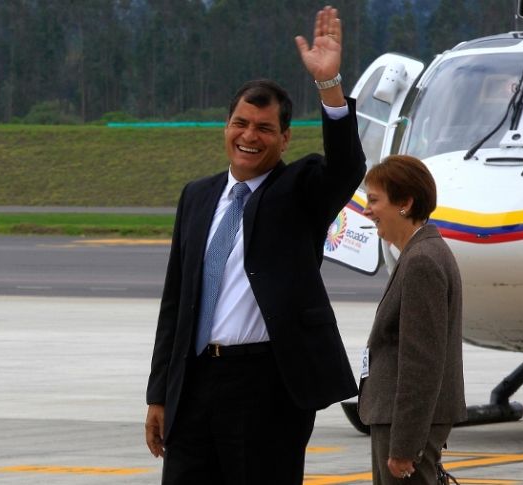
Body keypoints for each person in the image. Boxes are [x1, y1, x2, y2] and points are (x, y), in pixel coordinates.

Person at [144, 5, 365, 484]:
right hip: (195, 381)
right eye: (240, 123)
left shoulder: (299, 191)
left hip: (266, 387)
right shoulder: (197, 196)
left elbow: (347, 168)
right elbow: (176, 303)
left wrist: (330, 87)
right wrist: (159, 393)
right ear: (226, 126)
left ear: (284, 139)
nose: (249, 136)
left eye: (264, 129)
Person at [357, 154, 467, 485]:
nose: (366, 210)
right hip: (398, 420)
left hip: (402, 424)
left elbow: (421, 362)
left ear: (405, 203)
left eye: (374, 200)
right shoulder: (423, 253)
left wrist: (405, 444)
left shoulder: (422, 262)